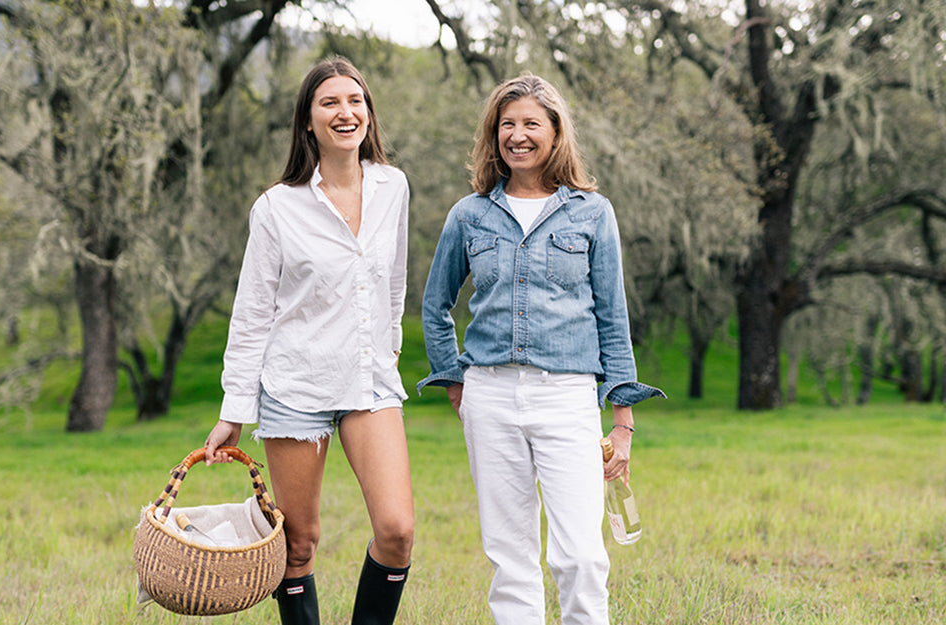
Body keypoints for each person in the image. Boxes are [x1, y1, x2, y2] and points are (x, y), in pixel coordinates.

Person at [417, 74, 664, 625]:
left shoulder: (592, 213)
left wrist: (622, 422)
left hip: (568, 397)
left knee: (580, 555)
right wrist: (454, 380)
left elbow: (612, 317)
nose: (518, 135)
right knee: (511, 557)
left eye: (531, 123)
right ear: (493, 134)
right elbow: (435, 307)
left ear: (555, 132)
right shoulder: (470, 215)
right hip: (490, 396)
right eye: (507, 124)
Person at [203, 56, 413, 625]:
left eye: (355, 101)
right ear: (308, 121)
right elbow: (252, 316)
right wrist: (234, 410)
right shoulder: (276, 208)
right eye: (330, 103)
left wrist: (389, 348)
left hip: (369, 383)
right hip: (296, 384)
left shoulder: (393, 187)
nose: (346, 113)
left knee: (396, 531)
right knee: (298, 543)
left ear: (368, 112)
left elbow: (394, 280)